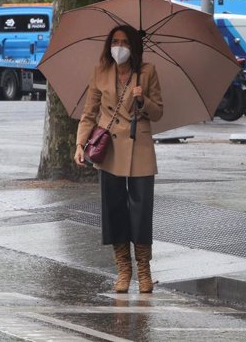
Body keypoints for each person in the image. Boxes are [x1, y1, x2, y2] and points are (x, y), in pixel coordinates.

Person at [74, 25, 163, 293]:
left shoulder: (147, 72)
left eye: (124, 42)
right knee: (114, 209)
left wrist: (142, 99)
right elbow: (89, 113)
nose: (119, 47)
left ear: (134, 46)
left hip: (140, 147)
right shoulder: (100, 71)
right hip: (109, 148)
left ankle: (144, 271)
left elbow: (158, 112)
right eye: (115, 41)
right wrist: (80, 144)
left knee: (141, 210)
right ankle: (123, 270)